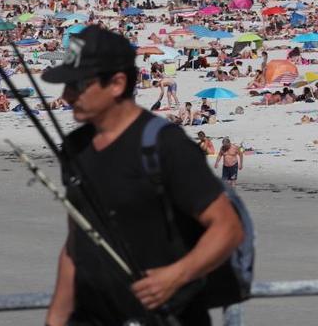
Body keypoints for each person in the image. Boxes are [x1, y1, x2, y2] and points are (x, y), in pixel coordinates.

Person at [41, 25, 244, 326]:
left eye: (77, 84)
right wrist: (55, 319)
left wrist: (177, 275)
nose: (67, 95)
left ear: (117, 83)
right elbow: (77, 241)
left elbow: (228, 228)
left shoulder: (166, 145)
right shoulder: (74, 147)